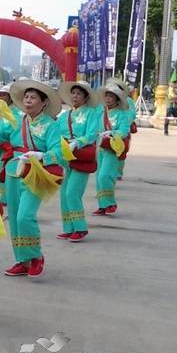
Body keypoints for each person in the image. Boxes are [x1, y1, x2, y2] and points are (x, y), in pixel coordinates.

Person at [2, 79, 64, 278]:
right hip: (14, 170)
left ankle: (36, 256)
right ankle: (22, 259)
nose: (28, 100)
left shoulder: (50, 125)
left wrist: (42, 156)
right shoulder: (16, 119)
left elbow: (59, 152)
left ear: (43, 103)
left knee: (25, 216)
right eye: (26, 97)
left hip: (36, 172)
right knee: (14, 219)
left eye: (33, 98)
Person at [56, 81, 99, 242]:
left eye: (79, 93)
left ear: (85, 97)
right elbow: (56, 132)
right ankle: (69, 228)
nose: (75, 96)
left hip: (81, 156)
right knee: (64, 194)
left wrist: (77, 142)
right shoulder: (65, 115)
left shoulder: (90, 113)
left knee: (72, 193)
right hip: (67, 158)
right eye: (73, 93)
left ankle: (80, 228)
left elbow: (92, 135)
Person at [94, 83, 132, 216]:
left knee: (105, 175)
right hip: (100, 148)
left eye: (111, 96)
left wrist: (112, 133)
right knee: (99, 177)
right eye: (107, 96)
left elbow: (124, 131)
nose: (108, 99)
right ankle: (102, 205)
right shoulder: (100, 112)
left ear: (117, 99)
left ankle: (110, 203)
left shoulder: (121, 114)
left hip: (112, 148)